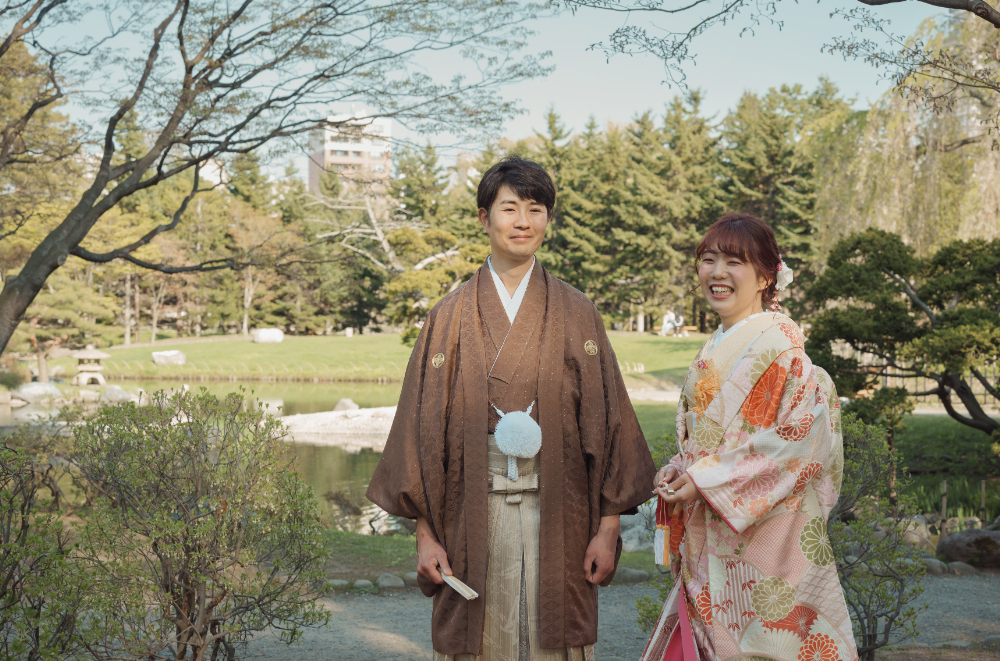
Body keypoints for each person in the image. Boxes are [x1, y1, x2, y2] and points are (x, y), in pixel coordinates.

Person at [367, 155, 655, 661]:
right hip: (467, 514)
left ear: (548, 219)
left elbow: (610, 423)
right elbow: (421, 433)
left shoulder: (576, 310)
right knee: (473, 638)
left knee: (554, 637)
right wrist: (424, 537)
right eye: (509, 208)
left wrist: (609, 527)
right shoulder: (450, 316)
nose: (523, 221)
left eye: (536, 208)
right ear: (484, 218)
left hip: (562, 514)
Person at [640, 213, 858, 661]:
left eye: (734, 262)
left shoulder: (786, 355)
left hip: (770, 541)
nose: (717, 273)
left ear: (765, 275)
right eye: (708, 259)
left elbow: (801, 444)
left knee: (770, 643)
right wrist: (683, 469)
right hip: (711, 531)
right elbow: (703, 443)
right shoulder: (716, 345)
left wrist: (706, 478)